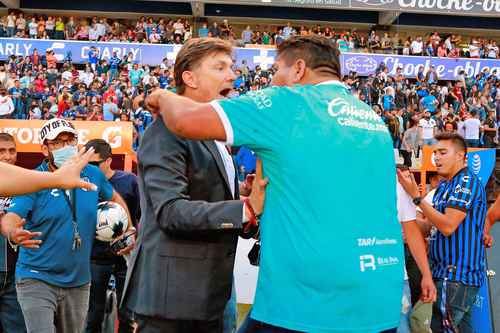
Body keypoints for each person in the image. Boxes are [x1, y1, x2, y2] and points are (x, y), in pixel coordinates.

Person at [145, 35, 404, 332]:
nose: (273, 81)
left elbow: (183, 120)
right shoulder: (373, 119)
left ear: (298, 70)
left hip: (308, 301)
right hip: (378, 294)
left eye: (276, 71)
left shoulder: (288, 102)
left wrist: (161, 96)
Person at [122, 38, 266, 333]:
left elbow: (207, 199)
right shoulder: (165, 131)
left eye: (232, 67)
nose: (233, 75)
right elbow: (171, 211)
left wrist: (246, 208)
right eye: (220, 67)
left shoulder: (213, 135)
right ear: (190, 78)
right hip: (172, 301)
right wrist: (244, 209)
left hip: (208, 295)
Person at [0, 118, 131, 333]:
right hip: (37, 277)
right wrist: (13, 232)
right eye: (57, 143)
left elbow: (115, 198)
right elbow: (11, 217)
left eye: (70, 141)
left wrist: (129, 228)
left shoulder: (93, 174)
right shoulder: (36, 179)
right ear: (45, 149)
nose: (65, 147)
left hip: (79, 280)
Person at [397, 132, 487, 333]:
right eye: (435, 153)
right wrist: (405, 214)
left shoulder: (466, 181)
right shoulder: (444, 186)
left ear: (460, 156)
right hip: (444, 274)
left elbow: (447, 226)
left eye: (443, 152)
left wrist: (416, 197)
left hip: (455, 275)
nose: (436, 157)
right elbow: (429, 226)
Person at [84, 139, 139, 333]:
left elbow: (143, 216)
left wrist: (133, 233)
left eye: (94, 163)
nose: (89, 168)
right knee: (93, 316)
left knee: (127, 316)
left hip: (125, 259)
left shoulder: (130, 181)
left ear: (108, 161)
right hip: (95, 259)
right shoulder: (82, 184)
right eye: (86, 163)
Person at [395, 164, 436, 333]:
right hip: (376, 272)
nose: (407, 181)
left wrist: (427, 275)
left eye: (409, 176)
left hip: (406, 263)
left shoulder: (409, 196)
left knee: (405, 323)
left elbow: (421, 228)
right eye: (402, 177)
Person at [0, 133, 27, 333]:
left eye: (11, 151)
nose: (8, 156)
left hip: (17, 276)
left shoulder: (27, 183)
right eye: (1, 151)